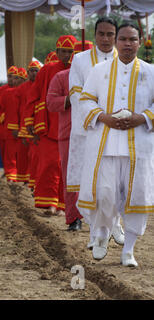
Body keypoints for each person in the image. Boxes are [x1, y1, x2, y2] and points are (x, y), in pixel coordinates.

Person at [78, 22, 154, 267]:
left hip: (139, 146)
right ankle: (101, 234)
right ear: (116, 42)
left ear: (140, 42)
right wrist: (104, 117)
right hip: (106, 144)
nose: (127, 44)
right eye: (123, 39)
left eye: (133, 39)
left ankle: (128, 251)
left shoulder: (151, 72)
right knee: (105, 195)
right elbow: (85, 100)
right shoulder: (99, 70)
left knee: (137, 199)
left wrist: (141, 118)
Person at [68, 17, 124, 248]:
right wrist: (99, 118)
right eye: (101, 34)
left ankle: (117, 224)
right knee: (91, 183)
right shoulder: (80, 60)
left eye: (110, 34)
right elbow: (76, 95)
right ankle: (95, 231)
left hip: (118, 131)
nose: (105, 39)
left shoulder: (125, 60)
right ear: (94, 35)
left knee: (115, 182)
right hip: (89, 130)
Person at [26, 35, 77, 215]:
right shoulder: (47, 69)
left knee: (68, 167)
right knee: (49, 165)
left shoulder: (78, 69)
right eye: (63, 51)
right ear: (57, 52)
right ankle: (50, 204)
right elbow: (33, 95)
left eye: (70, 52)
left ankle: (64, 205)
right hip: (47, 124)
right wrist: (30, 120)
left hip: (72, 124)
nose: (67, 55)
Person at [46, 41, 93, 231]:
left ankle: (97, 218)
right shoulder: (61, 77)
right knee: (71, 175)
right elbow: (50, 102)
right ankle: (74, 218)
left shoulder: (101, 77)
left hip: (96, 131)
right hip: (70, 133)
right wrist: (70, 99)